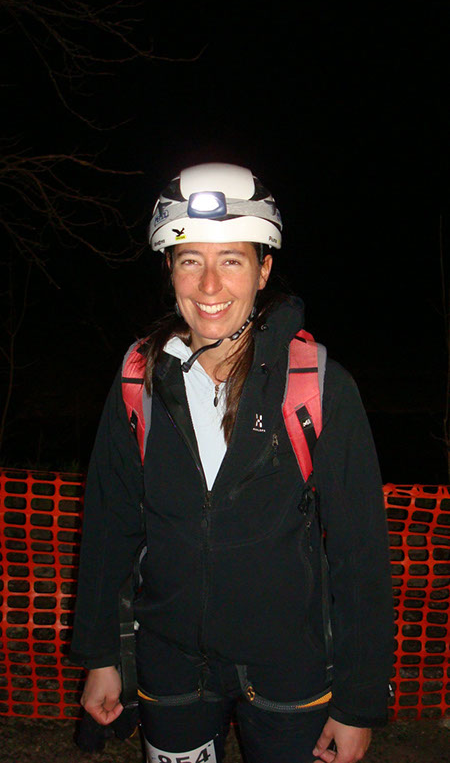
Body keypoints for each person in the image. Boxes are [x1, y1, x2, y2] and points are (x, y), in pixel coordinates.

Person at [70, 162, 393, 763]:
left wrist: (358, 702)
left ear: (263, 269)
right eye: (191, 260)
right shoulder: (139, 380)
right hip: (171, 665)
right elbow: (109, 526)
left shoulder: (319, 385)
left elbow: (360, 555)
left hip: (288, 672)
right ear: (170, 269)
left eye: (232, 260)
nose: (210, 285)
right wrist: (101, 655)